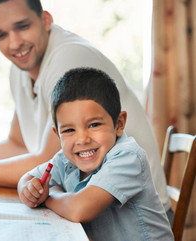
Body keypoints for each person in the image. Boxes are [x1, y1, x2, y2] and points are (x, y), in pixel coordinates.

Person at [0, 0, 171, 216]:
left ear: (45, 20)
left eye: (22, 26)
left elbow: (47, 160)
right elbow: (17, 143)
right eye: (0, 35)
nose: (14, 43)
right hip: (91, 216)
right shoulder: (23, 68)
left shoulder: (68, 58)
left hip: (130, 219)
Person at [18, 67, 173, 241]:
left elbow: (79, 209)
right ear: (58, 134)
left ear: (119, 124)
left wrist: (49, 196)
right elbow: (27, 178)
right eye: (69, 130)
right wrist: (28, 190)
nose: (82, 139)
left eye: (94, 125)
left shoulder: (128, 157)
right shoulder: (65, 158)